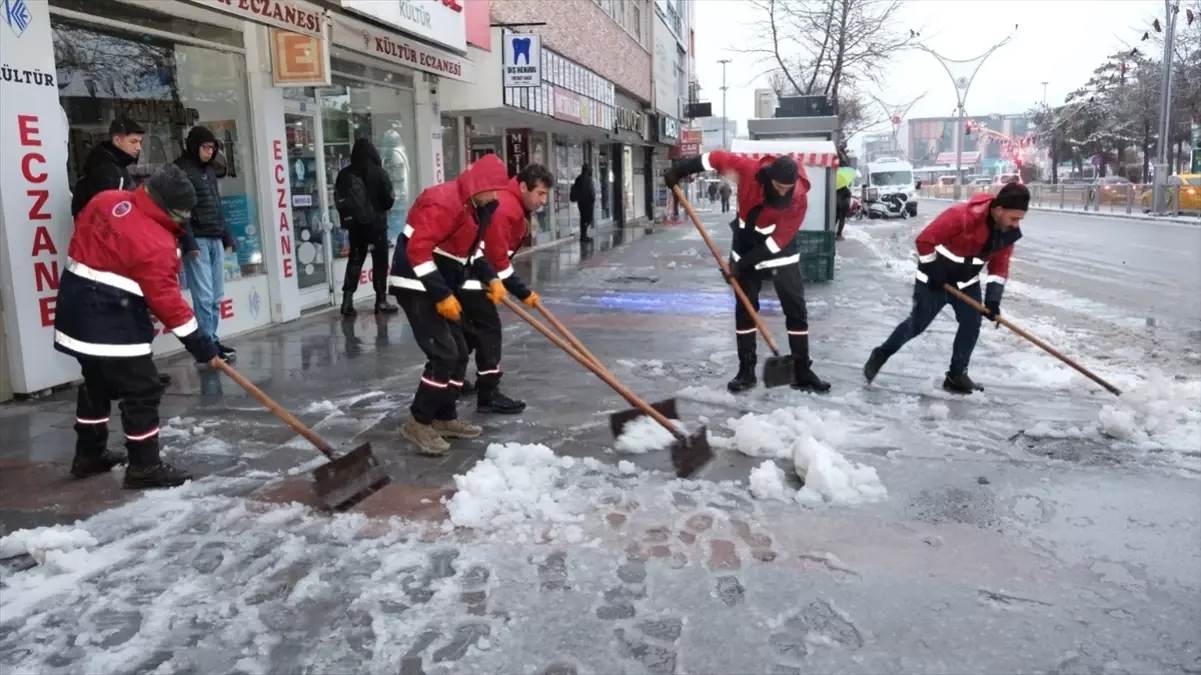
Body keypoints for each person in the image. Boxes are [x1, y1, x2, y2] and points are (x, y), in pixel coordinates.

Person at [55, 165, 220, 489]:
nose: (184, 220)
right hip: (110, 321)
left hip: (74, 310)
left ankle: (89, 456)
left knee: (96, 384)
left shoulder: (107, 200)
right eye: (182, 213)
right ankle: (144, 467)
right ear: (165, 206)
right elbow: (168, 303)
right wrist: (203, 346)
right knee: (142, 389)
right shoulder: (154, 243)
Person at [664, 152, 830, 394]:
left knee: (796, 310)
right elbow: (714, 158)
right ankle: (746, 371)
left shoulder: (798, 198)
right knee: (745, 310)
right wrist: (681, 169)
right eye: (778, 186)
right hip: (745, 243)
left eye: (787, 187)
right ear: (768, 177)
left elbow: (777, 241)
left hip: (781, 253)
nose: (783, 192)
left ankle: (802, 370)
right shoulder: (748, 169)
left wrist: (741, 266)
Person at [389, 154, 510, 456]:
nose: (496, 196)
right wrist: (441, 295)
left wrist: (491, 279)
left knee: (458, 352)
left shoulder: (475, 209)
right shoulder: (446, 201)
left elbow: (472, 254)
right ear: (479, 185)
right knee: (443, 353)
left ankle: (444, 417)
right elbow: (417, 249)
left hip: (438, 284)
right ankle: (418, 422)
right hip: (415, 283)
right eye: (493, 189)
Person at [863, 182, 1028, 394]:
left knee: (971, 323)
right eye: (1013, 218)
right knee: (917, 325)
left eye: (1019, 219)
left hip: (967, 283)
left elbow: (999, 267)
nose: (1016, 224)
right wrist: (934, 270)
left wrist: (993, 301)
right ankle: (882, 354)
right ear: (998, 210)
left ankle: (956, 375)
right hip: (935, 280)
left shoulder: (1007, 233)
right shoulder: (962, 216)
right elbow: (924, 240)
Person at [457, 163, 554, 414]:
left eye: (546, 195)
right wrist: (523, 293)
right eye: (540, 194)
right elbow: (497, 259)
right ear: (523, 187)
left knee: (468, 332)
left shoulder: (513, 204)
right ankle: (488, 394)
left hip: (474, 276)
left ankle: (452, 381)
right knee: (489, 331)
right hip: (474, 278)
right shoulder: (506, 208)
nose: (543, 201)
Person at [175, 126, 236, 364]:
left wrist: (226, 235)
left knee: (216, 295)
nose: (209, 152)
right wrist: (189, 242)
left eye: (212, 147)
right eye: (205, 147)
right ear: (194, 146)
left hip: (214, 237)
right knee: (204, 295)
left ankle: (212, 338)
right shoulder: (181, 170)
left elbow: (216, 204)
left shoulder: (209, 172)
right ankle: (206, 343)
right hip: (197, 239)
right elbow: (181, 210)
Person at [335, 138, 400, 316]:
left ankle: (347, 300)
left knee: (355, 260)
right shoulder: (379, 173)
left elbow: (340, 201)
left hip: (355, 227)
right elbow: (388, 200)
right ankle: (380, 301)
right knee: (380, 261)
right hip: (376, 226)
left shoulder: (344, 174)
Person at [70, 117, 144, 219]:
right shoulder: (108, 170)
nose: (138, 147)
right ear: (117, 140)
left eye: (140, 142)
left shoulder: (114, 165)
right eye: (133, 141)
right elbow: (109, 214)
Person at [569, 164, 596, 243]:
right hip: (588, 202)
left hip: (581, 202)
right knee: (588, 219)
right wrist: (593, 199)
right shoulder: (588, 179)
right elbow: (591, 191)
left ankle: (583, 235)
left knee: (583, 219)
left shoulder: (579, 178)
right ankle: (584, 235)